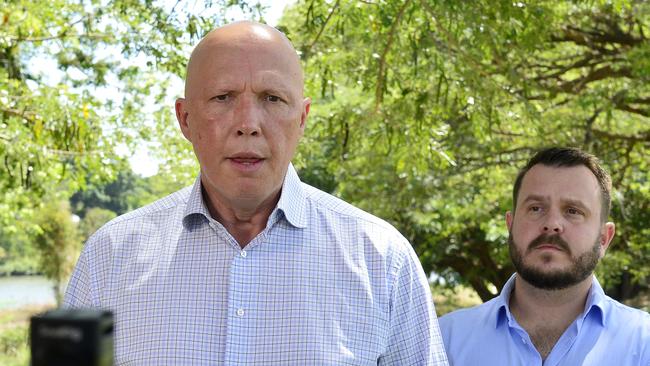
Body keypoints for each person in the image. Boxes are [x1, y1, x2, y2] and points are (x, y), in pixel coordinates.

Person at [63, 21, 449, 365]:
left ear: (302, 118)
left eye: (272, 98)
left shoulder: (383, 260)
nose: (248, 124)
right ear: (185, 118)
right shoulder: (108, 257)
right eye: (223, 97)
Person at [439, 147, 650, 366]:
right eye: (535, 208)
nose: (552, 224)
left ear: (604, 238)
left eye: (573, 211)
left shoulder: (644, 345)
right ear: (510, 226)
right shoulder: (445, 342)